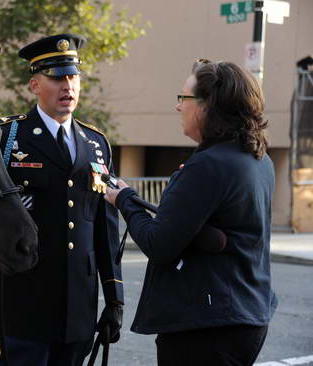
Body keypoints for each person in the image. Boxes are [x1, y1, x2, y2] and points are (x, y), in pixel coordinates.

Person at [104, 59, 278, 366]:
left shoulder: (209, 166)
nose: (177, 107)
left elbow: (158, 244)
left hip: (206, 326)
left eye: (183, 98)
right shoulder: (256, 157)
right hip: (245, 315)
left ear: (207, 105)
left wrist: (125, 199)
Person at [0, 34, 124, 366]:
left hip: (78, 307)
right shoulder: (7, 137)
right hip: (21, 302)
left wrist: (114, 299)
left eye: (73, 76)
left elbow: (104, 227)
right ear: (34, 85)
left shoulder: (96, 143)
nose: (68, 86)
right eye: (57, 77)